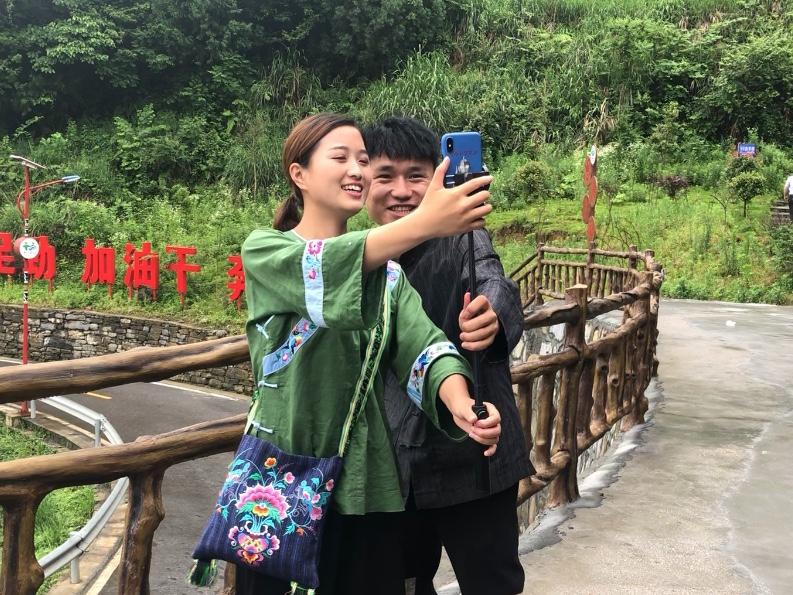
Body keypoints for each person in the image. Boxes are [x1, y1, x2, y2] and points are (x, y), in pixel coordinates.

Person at [235, 113, 502, 595]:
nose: (356, 170)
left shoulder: (389, 276)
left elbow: (426, 348)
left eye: (362, 159)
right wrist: (424, 222)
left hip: (368, 486)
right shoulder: (265, 250)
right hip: (282, 480)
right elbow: (325, 268)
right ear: (299, 174)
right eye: (341, 158)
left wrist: (463, 405)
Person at [364, 117, 533, 595]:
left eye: (416, 176)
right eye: (385, 176)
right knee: (404, 583)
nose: (401, 190)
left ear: (438, 178)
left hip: (474, 458)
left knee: (492, 584)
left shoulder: (463, 236)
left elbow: (494, 280)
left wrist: (492, 316)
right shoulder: (364, 257)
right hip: (396, 464)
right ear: (363, 183)